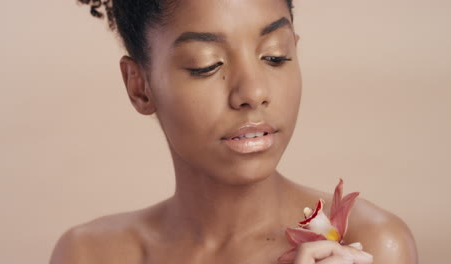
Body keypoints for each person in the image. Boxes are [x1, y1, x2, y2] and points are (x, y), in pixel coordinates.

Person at [50, 0, 418, 263]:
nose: (253, 92)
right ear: (139, 86)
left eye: (275, 56)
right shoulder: (90, 254)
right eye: (206, 65)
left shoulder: (371, 246)